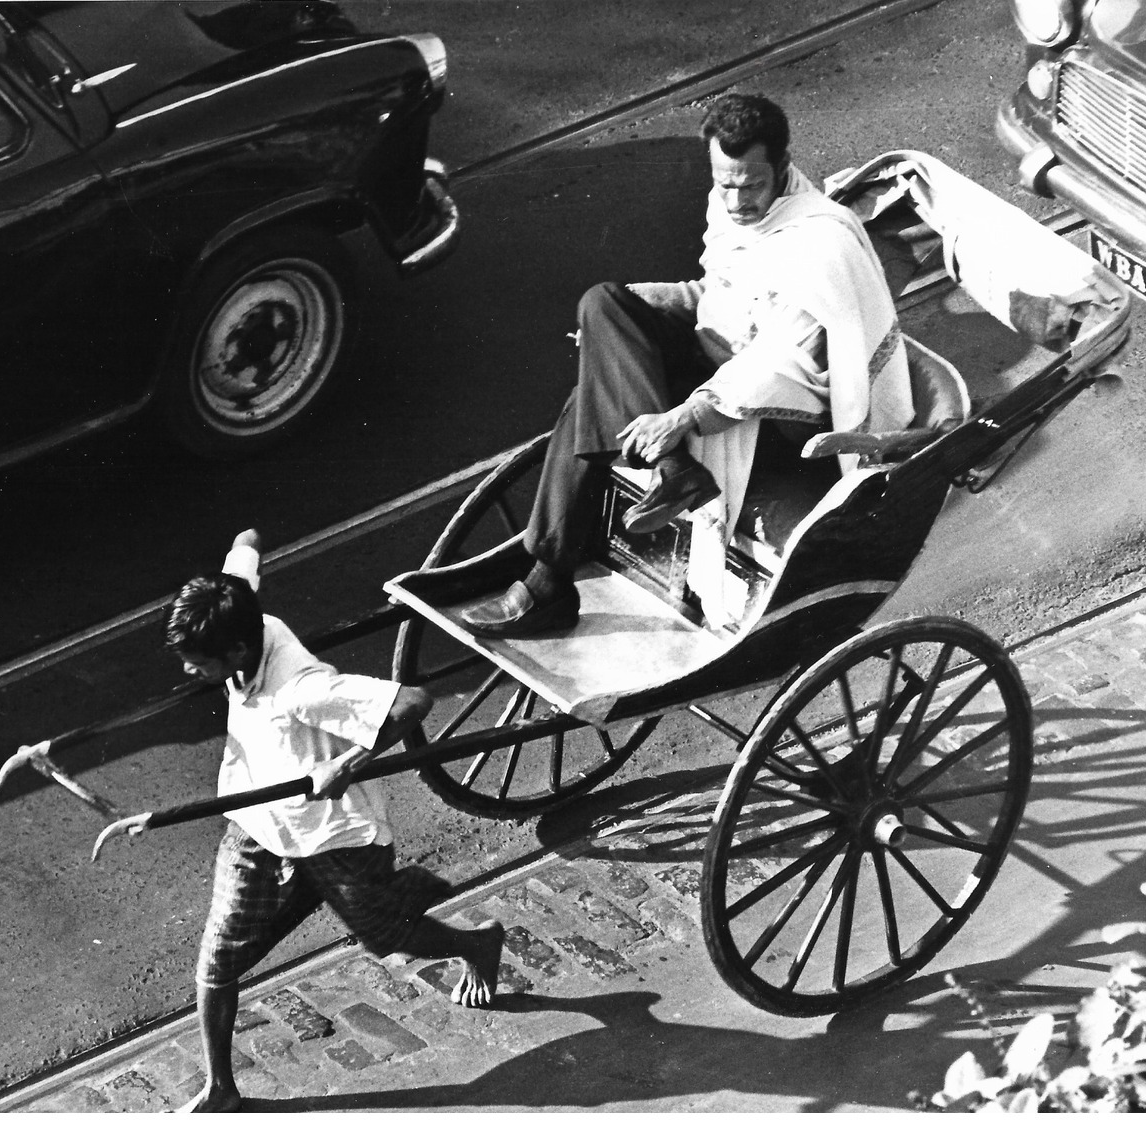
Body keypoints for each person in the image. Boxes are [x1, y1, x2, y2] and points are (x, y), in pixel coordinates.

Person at [461, 92, 913, 637]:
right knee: (602, 303)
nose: (738, 201)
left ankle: (548, 579)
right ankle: (675, 471)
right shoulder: (726, 205)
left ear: (784, 168)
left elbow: (781, 361)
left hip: (773, 408)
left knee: (591, 397)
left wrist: (683, 418)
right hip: (717, 364)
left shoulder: (820, 244)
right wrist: (641, 303)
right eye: (726, 184)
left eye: (751, 185)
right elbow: (715, 293)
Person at [107, 529, 506, 1113]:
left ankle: (475, 943)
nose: (192, 673)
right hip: (256, 825)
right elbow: (245, 547)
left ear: (239, 653)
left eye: (198, 664)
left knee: (385, 937)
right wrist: (245, 544)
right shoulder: (240, 611)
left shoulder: (301, 689)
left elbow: (412, 702)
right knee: (217, 957)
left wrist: (349, 760)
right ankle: (221, 1087)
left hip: (334, 836)